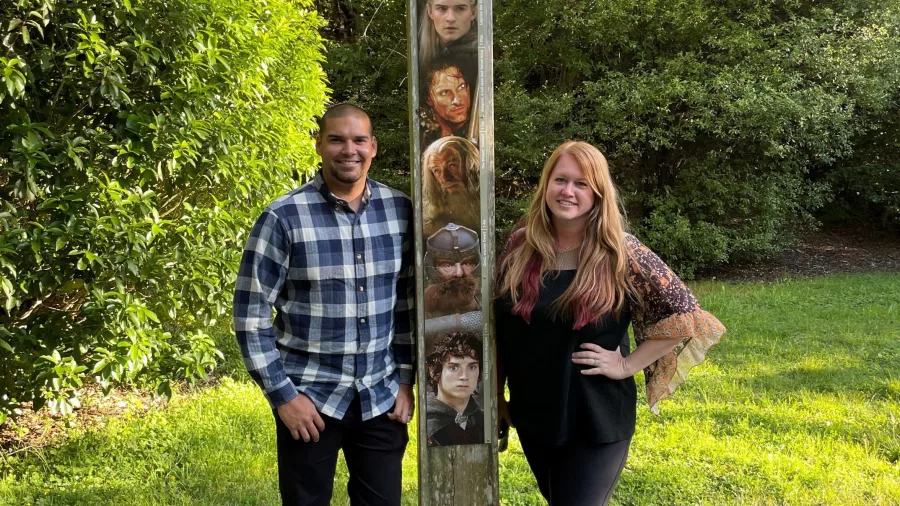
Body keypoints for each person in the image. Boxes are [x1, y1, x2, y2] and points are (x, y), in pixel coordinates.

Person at [494, 141, 725, 505]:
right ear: (546, 184)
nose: (568, 191)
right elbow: (502, 329)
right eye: (560, 180)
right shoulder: (522, 246)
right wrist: (497, 394)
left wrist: (626, 365)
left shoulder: (620, 251)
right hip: (536, 412)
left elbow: (688, 317)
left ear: (598, 193)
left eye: (581, 184)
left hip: (595, 417)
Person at [234, 103, 416, 506]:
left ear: (374, 147)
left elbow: (406, 304)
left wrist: (405, 380)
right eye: (336, 139)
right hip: (309, 400)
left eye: (358, 140)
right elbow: (250, 317)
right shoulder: (282, 218)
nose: (347, 149)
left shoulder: (401, 211)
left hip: (380, 398)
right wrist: (283, 396)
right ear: (319, 145)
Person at [425, 332, 485, 446]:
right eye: (453, 367)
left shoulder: (484, 420)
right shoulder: (428, 422)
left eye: (472, 367)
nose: (464, 376)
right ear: (433, 371)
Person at [422, 136, 480, 236]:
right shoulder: (429, 217)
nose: (445, 178)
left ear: (472, 165)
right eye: (436, 170)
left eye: (452, 165)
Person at [424, 222, 481, 319]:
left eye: (467, 263)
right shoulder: (423, 307)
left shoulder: (488, 300)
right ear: (433, 268)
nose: (459, 273)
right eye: (447, 265)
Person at [419, 58, 478, 147]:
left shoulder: (482, 127)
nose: (457, 100)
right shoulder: (425, 137)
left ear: (468, 89)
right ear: (429, 99)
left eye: (461, 87)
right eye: (444, 93)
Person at [418, 0, 478, 68]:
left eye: (460, 8)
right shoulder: (418, 53)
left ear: (473, 12)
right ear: (430, 11)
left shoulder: (480, 57)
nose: (450, 18)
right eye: (442, 8)